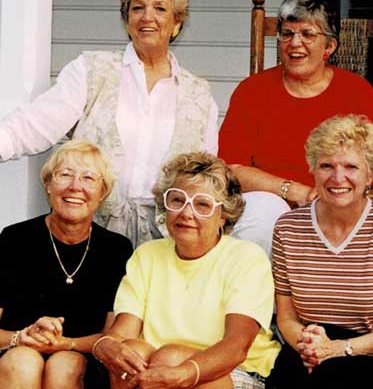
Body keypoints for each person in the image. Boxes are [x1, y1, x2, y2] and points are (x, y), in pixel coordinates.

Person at [0, 0, 218, 247]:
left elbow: (206, 179)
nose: (146, 17)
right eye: (137, 7)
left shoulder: (198, 94)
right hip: (93, 234)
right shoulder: (92, 71)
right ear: (127, 19)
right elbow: (35, 124)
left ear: (176, 23)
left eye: (160, 8)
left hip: (168, 243)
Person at [219, 0, 373, 255]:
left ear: (330, 46)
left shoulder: (356, 93)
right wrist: (291, 190)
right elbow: (232, 166)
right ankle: (257, 295)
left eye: (308, 34)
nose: (295, 43)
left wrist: (335, 191)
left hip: (338, 198)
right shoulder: (252, 91)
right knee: (263, 216)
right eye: (287, 34)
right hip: (270, 203)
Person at [91, 152, 280, 389]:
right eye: (177, 200)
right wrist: (107, 346)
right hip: (159, 367)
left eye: (202, 204)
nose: (187, 213)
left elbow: (236, 347)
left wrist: (184, 373)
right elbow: (122, 332)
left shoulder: (246, 258)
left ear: (223, 216)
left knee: (170, 356)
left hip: (235, 371)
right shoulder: (147, 255)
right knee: (132, 353)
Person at [0, 140, 133, 388]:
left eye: (88, 178)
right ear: (48, 185)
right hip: (9, 356)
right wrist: (22, 337)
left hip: (79, 360)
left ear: (102, 192)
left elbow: (112, 336)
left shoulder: (116, 249)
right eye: (65, 175)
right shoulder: (14, 240)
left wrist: (67, 344)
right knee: (24, 360)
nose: (75, 187)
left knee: (64, 364)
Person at [268, 115, 373, 388]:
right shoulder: (287, 228)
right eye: (326, 165)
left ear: (370, 174)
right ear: (312, 168)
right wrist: (310, 346)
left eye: (351, 167)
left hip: (363, 356)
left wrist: (336, 349)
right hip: (304, 350)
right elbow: (286, 315)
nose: (338, 177)